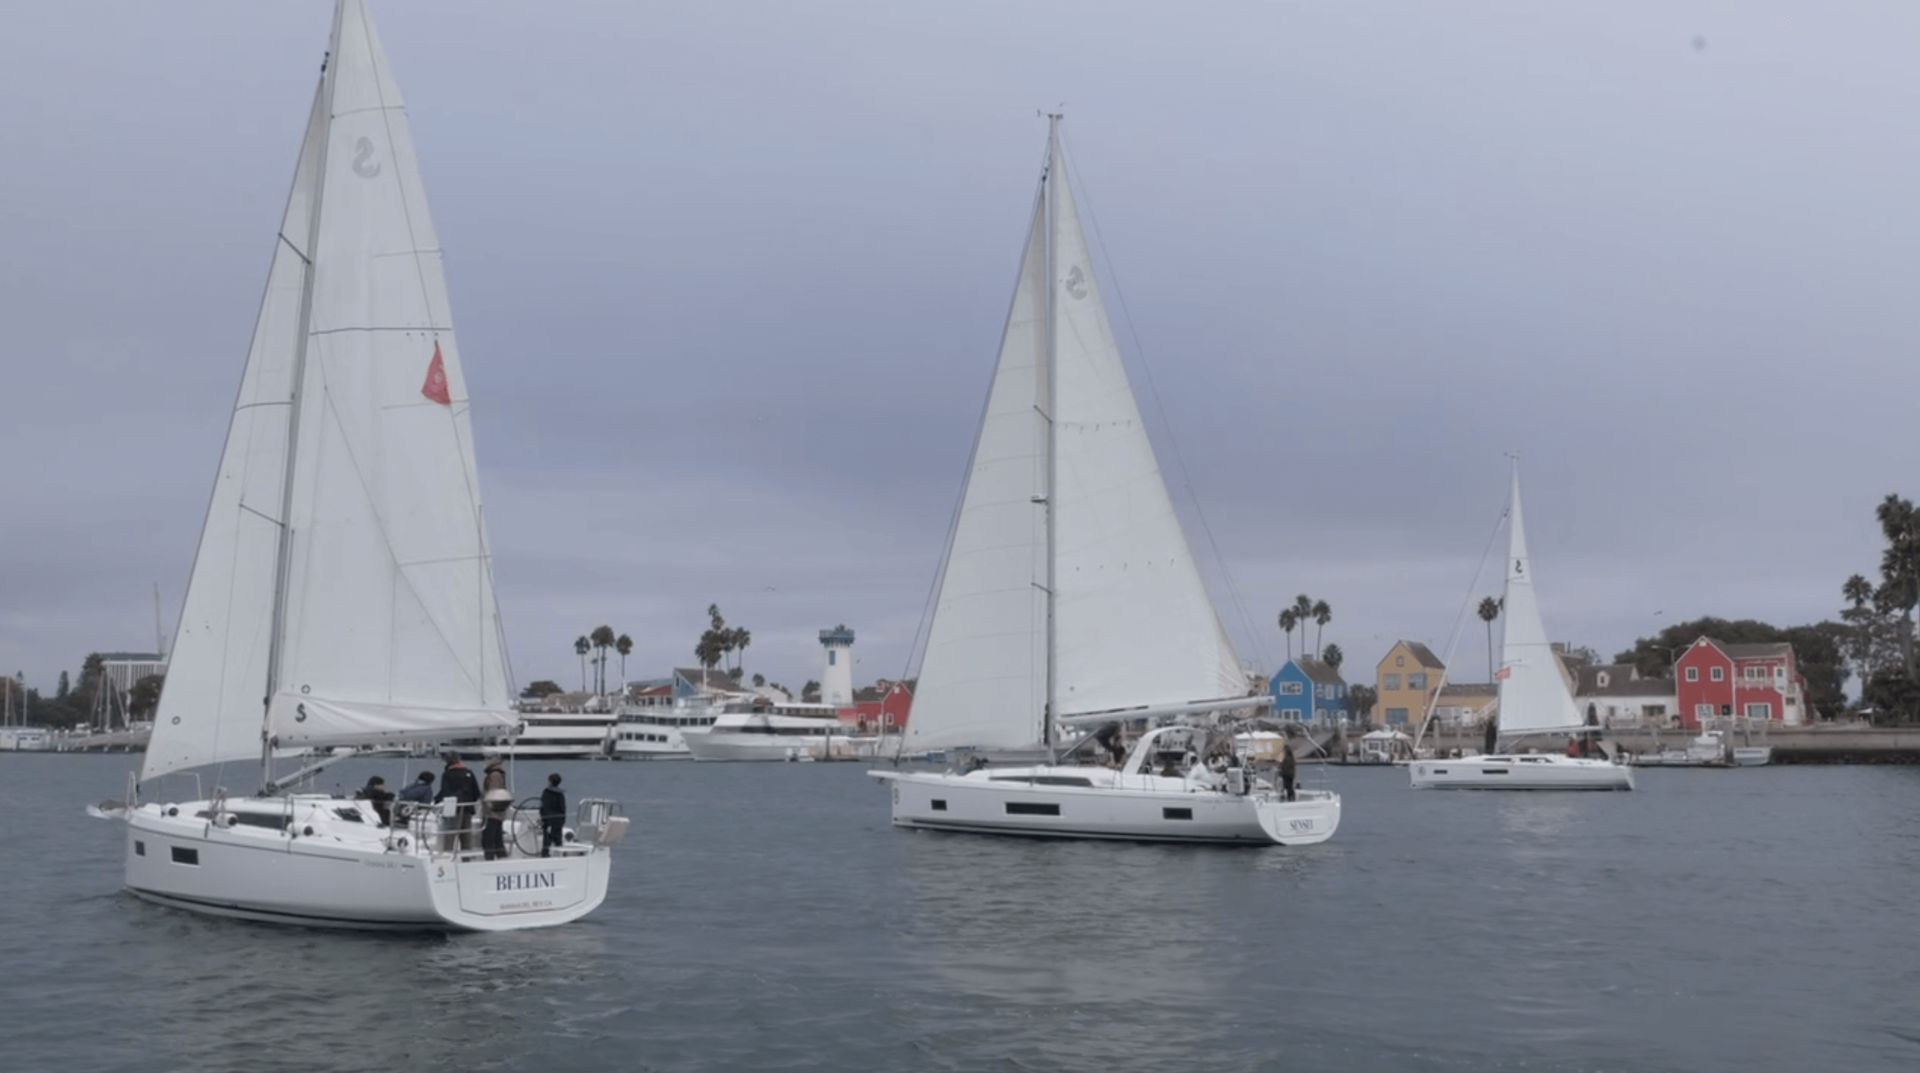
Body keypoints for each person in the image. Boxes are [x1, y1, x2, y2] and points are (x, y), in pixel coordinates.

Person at [436, 755, 482, 852]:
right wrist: (470, 801)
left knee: (450, 834)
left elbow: (445, 792)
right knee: (466, 835)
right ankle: (466, 857)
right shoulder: (469, 773)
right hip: (467, 808)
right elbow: (476, 792)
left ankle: (448, 855)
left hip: (452, 809)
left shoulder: (447, 774)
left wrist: (437, 800)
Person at [480, 757, 511, 861]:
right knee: (497, 838)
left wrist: (487, 803)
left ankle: (490, 859)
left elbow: (494, 793)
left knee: (489, 838)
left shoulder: (494, 775)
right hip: (497, 812)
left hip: (492, 812)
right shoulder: (497, 774)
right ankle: (501, 858)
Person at [539, 773, 566, 858]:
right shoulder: (560, 794)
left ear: (550, 781)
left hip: (549, 820)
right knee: (558, 840)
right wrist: (562, 820)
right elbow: (563, 808)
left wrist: (543, 819)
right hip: (558, 820)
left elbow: (544, 807)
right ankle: (560, 855)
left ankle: (545, 855)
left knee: (547, 841)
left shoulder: (546, 792)